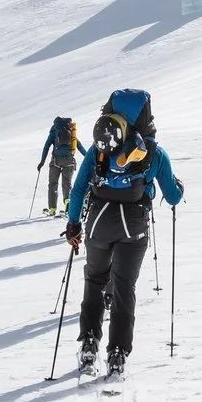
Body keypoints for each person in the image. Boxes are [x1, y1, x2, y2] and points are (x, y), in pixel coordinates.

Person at [64, 92, 183, 380]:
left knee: (95, 280)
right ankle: (117, 354)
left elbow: (78, 190)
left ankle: (89, 344)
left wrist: (73, 224)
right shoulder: (154, 153)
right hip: (134, 227)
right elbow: (173, 196)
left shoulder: (99, 149)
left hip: (98, 223)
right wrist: (178, 186)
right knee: (123, 287)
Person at [36, 114, 79, 216]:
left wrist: (42, 162)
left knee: (53, 184)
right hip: (69, 161)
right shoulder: (71, 130)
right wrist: (89, 158)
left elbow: (46, 147)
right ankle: (68, 204)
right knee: (67, 184)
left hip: (56, 161)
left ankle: (52, 209)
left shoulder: (54, 131)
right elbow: (79, 145)